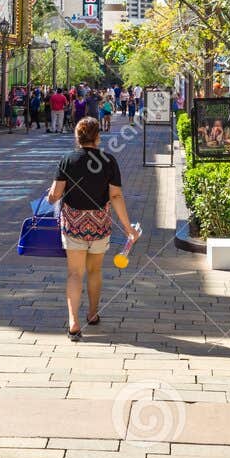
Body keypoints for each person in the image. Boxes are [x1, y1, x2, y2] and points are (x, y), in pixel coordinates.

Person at [48, 118, 138, 340]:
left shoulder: (67, 160)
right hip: (99, 225)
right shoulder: (109, 161)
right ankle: (92, 313)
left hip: (73, 225)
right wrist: (128, 229)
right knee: (95, 271)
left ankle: (73, 321)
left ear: (77, 137)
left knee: (74, 273)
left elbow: (55, 196)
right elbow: (115, 196)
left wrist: (51, 194)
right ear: (98, 137)